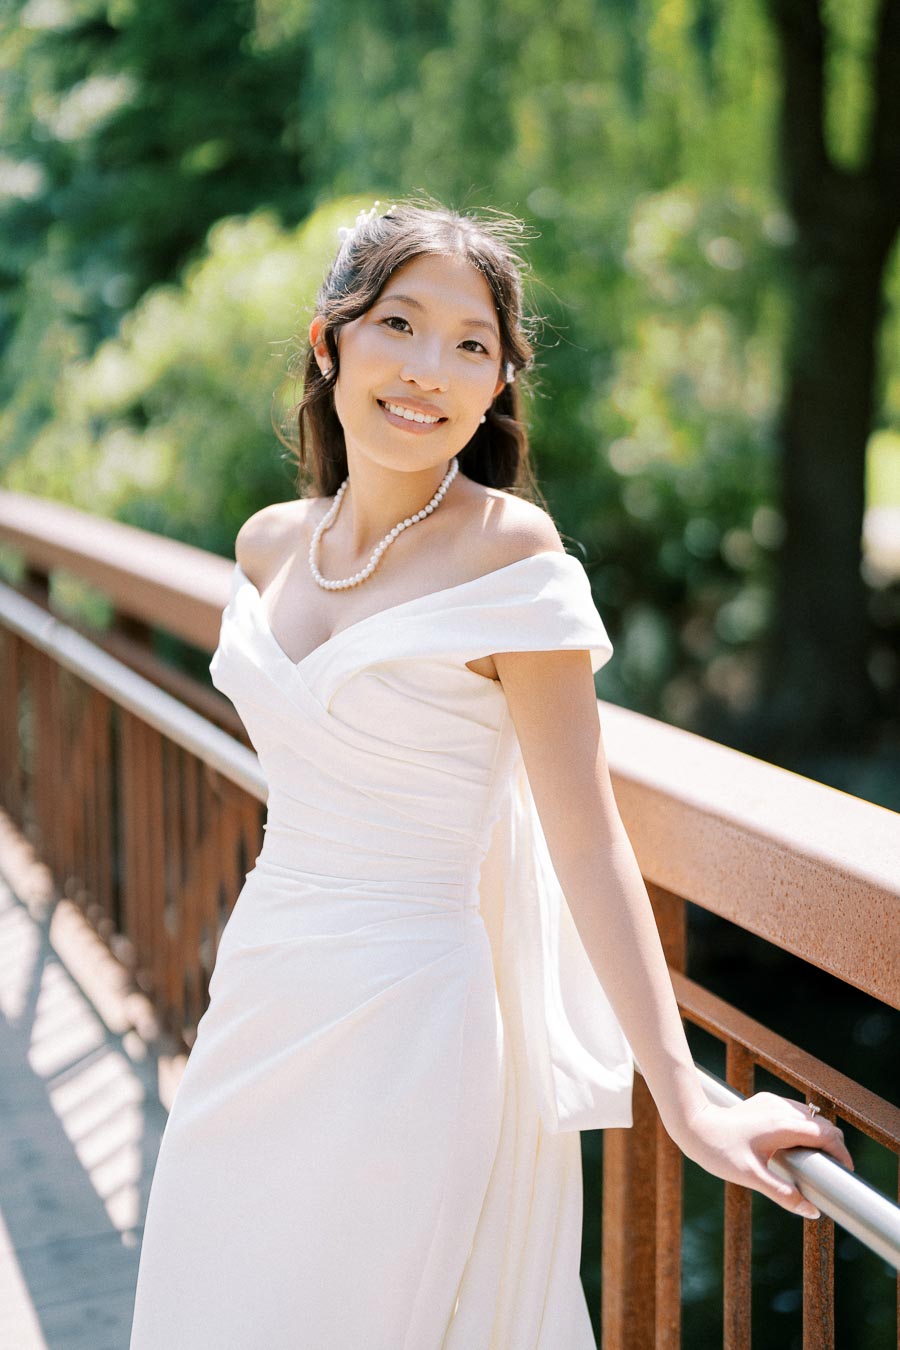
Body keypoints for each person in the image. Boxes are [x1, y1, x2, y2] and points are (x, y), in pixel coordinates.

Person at [129, 199, 853, 1349]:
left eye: (472, 345)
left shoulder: (512, 554)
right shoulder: (269, 543)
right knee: (210, 1299)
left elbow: (586, 839)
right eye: (400, 326)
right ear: (331, 344)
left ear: (500, 379)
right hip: (263, 987)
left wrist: (683, 1094)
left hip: (415, 1019)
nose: (430, 371)